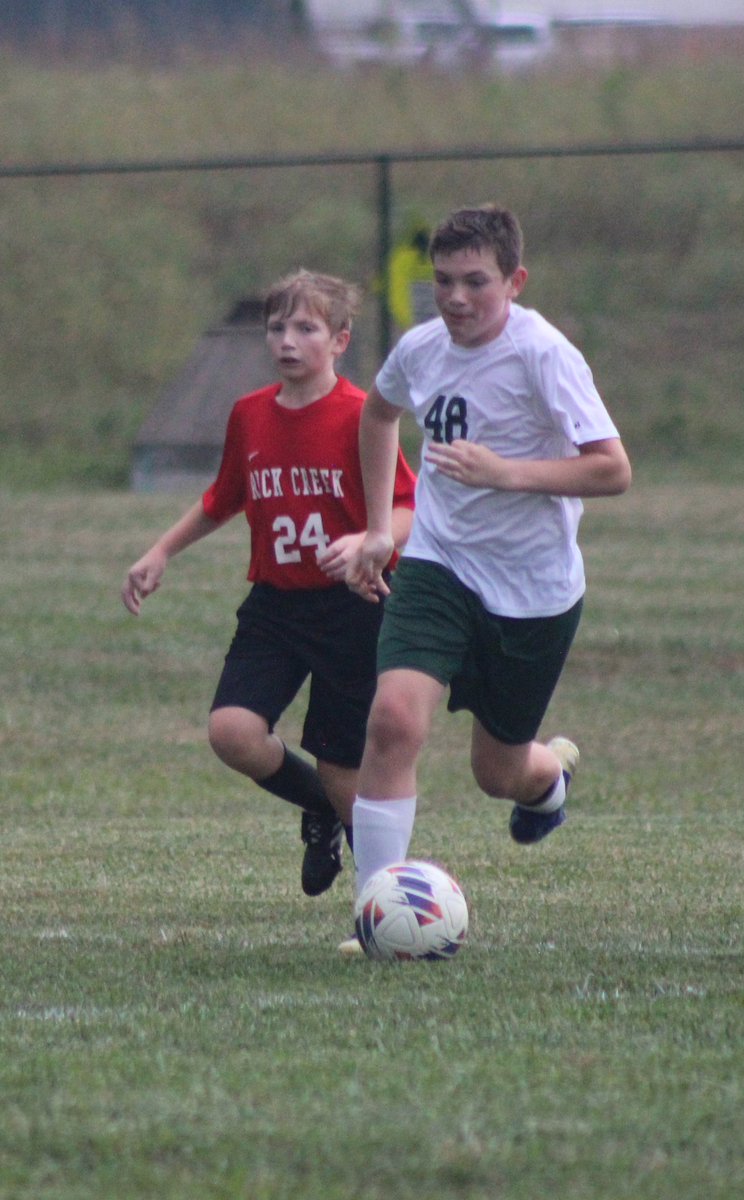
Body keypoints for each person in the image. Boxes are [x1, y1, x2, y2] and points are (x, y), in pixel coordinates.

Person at [342, 204, 631, 953]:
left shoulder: (544, 355)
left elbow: (611, 468)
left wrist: (504, 472)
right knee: (393, 720)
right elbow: (377, 416)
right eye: (443, 281)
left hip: (533, 592)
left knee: (497, 772)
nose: (456, 298)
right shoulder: (420, 347)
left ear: (515, 280)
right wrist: (381, 529)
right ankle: (374, 913)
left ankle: (545, 778)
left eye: (476, 281)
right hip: (439, 564)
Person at [121, 269, 416, 900]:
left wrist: (372, 541)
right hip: (275, 606)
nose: (287, 339)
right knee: (232, 731)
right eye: (276, 326)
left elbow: (407, 511)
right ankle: (322, 812)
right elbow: (224, 498)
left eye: (305, 327)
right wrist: (161, 550)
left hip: (352, 608)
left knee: (344, 769)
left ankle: (384, 901)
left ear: (340, 340)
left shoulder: (364, 415)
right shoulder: (250, 415)